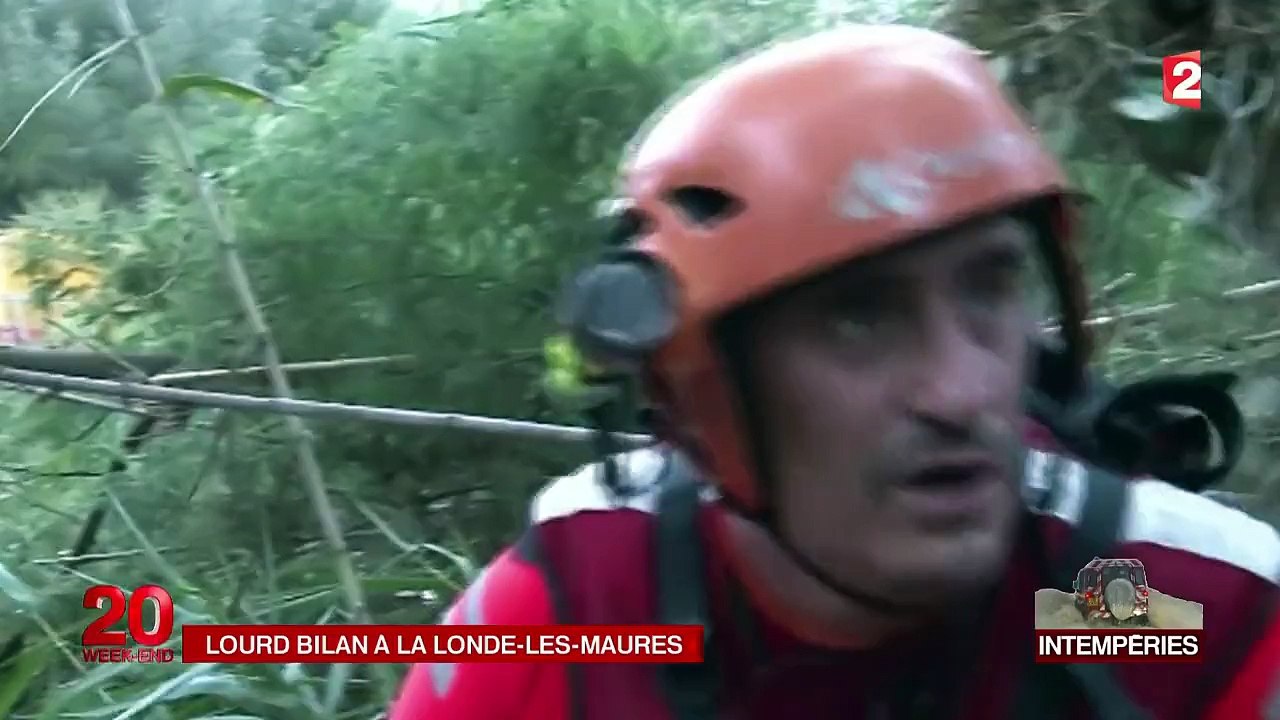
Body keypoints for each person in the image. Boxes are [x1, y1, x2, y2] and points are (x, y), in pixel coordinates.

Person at [389, 24, 1280, 720]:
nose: (961, 391)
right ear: (701, 393)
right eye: (857, 317)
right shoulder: (591, 612)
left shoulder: (1166, 608)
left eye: (989, 287)